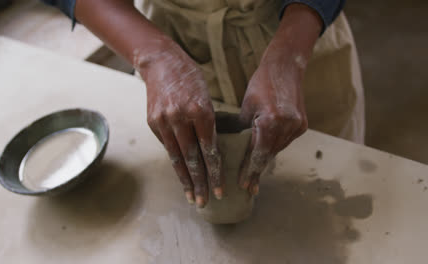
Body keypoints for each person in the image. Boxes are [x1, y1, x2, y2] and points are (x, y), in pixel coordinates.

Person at [43, 0, 365, 208]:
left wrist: (290, 55)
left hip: (300, 35)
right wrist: (154, 57)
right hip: (172, 41)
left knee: (325, 204)